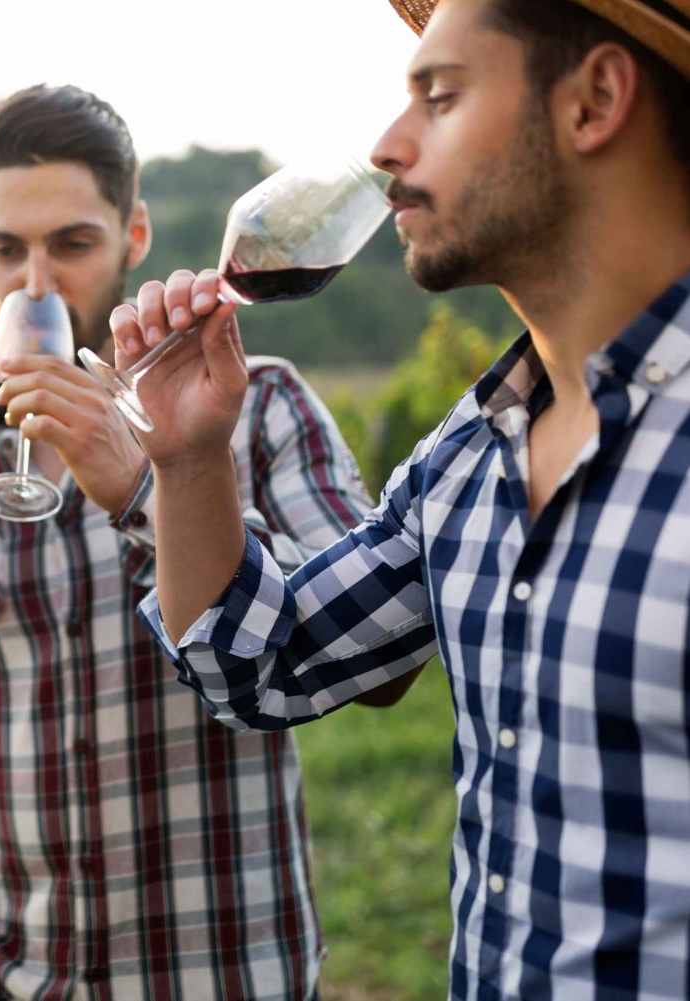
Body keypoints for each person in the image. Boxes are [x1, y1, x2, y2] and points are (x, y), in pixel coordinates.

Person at [108, 1, 690, 997]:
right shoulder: (466, 459)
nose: (387, 145)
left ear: (594, 99)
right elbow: (263, 663)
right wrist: (190, 461)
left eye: (441, 95)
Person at [0, 84, 405, 1001]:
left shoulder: (261, 406)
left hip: (227, 968)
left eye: (71, 243)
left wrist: (151, 487)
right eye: (5, 248)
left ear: (134, 236)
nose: (36, 283)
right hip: (24, 974)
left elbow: (381, 669)